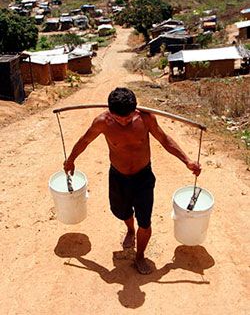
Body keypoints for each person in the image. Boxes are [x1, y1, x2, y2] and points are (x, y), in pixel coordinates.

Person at [64, 87, 201, 274]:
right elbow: (84, 141)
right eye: (118, 118)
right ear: (110, 112)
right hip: (118, 176)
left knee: (144, 221)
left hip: (143, 176)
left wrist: (187, 160)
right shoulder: (102, 122)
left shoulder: (145, 119)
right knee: (123, 211)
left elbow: (164, 139)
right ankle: (130, 230)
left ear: (134, 110)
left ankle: (140, 256)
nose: (122, 121)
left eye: (127, 118)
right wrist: (71, 159)